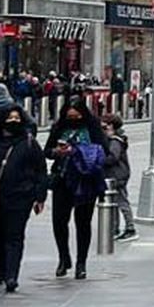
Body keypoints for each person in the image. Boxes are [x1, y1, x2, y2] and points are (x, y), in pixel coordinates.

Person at [0, 102, 48, 292]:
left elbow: (40, 170)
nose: (13, 121)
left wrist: (40, 196)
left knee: (15, 236)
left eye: (17, 118)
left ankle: (11, 275)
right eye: (10, 118)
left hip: (21, 197)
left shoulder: (28, 143)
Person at [44, 93, 107, 278]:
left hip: (86, 180)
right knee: (59, 221)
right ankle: (64, 257)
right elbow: (47, 151)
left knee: (83, 223)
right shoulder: (59, 127)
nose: (73, 119)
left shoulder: (92, 127)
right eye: (70, 116)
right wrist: (57, 152)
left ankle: (81, 262)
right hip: (63, 179)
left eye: (76, 116)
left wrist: (80, 151)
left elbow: (104, 150)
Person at [102, 114, 137, 239]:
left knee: (121, 202)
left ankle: (130, 228)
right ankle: (114, 228)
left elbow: (113, 157)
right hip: (117, 174)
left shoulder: (115, 141)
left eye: (104, 126)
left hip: (117, 175)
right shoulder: (115, 139)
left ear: (111, 126)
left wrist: (100, 159)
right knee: (114, 203)